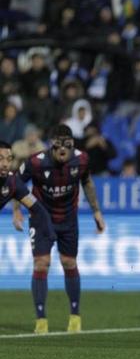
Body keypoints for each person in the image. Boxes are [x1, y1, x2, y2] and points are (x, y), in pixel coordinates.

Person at [13, 124, 106, 334]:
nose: (63, 152)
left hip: (68, 218)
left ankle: (75, 315)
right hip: (41, 217)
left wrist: (97, 212)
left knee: (69, 262)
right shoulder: (36, 162)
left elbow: (87, 182)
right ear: (52, 146)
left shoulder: (81, 159)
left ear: (72, 145)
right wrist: (16, 210)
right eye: (58, 147)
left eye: (67, 147)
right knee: (41, 264)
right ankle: (41, 320)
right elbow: (16, 183)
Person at [0, 141, 57, 334]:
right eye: (0, 159)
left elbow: (37, 208)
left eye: (8, 159)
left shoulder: (12, 182)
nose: (5, 164)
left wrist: (49, 232)